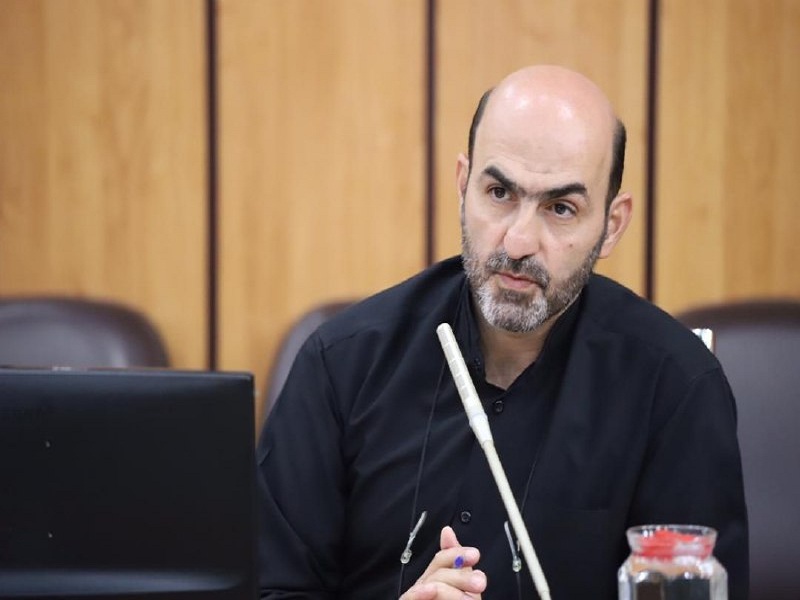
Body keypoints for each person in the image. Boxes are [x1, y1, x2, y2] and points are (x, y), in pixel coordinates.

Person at [256, 65, 749, 599]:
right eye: (498, 193)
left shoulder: (674, 387)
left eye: (560, 208)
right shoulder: (342, 364)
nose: (517, 241)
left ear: (611, 225)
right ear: (463, 185)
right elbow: (271, 589)